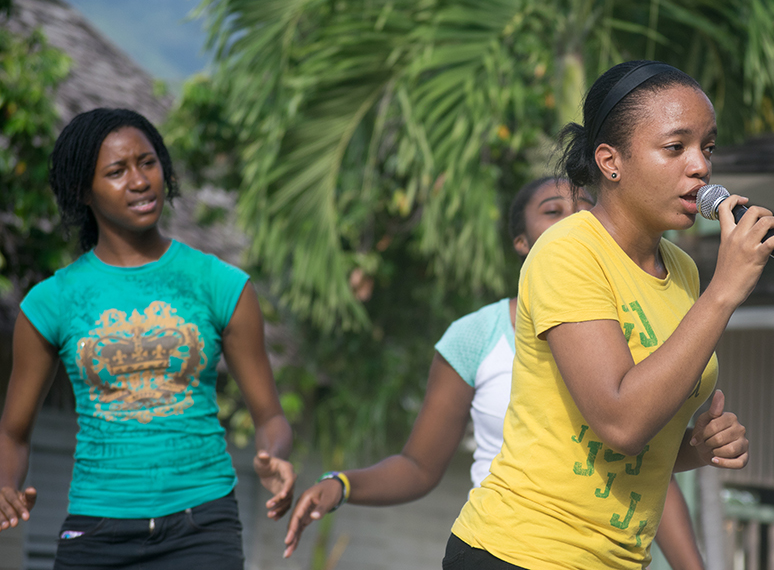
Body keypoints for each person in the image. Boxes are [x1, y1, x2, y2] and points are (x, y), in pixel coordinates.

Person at [444, 60, 774, 569]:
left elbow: (638, 445)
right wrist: (724, 294)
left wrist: (696, 446)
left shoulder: (683, 271)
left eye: (707, 148)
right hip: (520, 552)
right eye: (675, 148)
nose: (700, 167)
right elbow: (621, 421)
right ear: (610, 161)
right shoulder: (568, 252)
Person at [284, 176, 708, 570]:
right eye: (552, 210)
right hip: (512, 547)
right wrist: (340, 484)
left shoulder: (639, 321)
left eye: (584, 206)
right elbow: (418, 465)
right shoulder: (476, 336)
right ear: (522, 244)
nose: (574, 219)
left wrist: (696, 450)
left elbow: (643, 464)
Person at [0, 108, 296, 569]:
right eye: (116, 171)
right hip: (97, 528)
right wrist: (6, 486)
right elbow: (13, 434)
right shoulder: (52, 302)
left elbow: (271, 416)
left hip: (203, 526)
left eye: (148, 162)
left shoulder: (221, 285)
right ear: (83, 191)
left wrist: (273, 456)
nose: (139, 181)